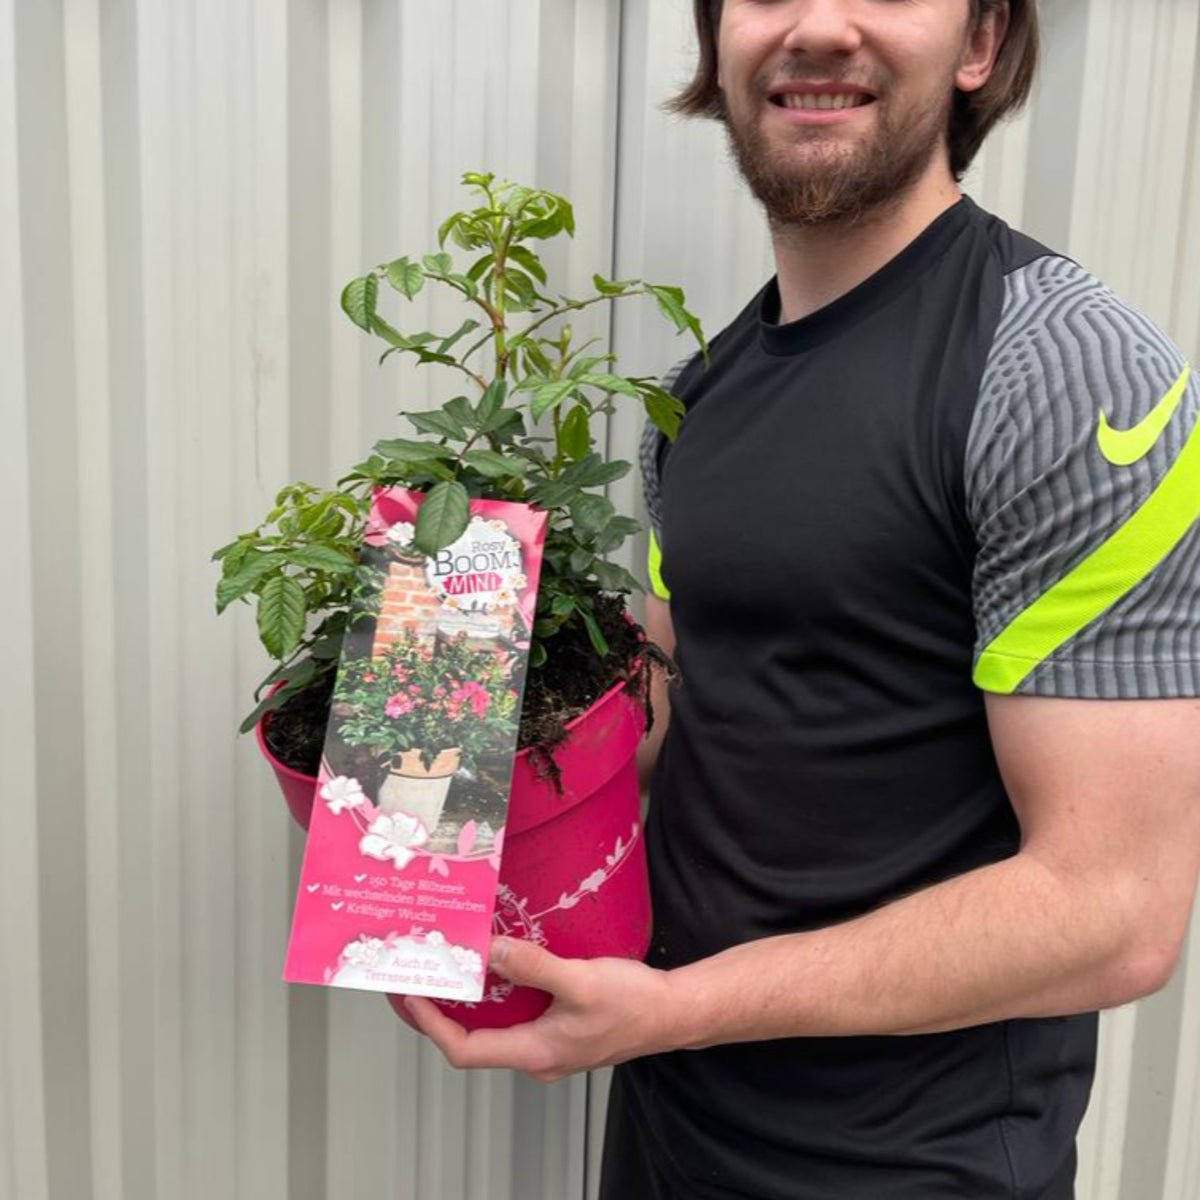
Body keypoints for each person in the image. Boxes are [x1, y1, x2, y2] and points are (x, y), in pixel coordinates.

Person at [405, 2, 1200, 1196]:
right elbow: (682, 702)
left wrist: (674, 1011)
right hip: (672, 1126)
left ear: (980, 44)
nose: (820, 26)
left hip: (907, 1165)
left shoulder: (1066, 373)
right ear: (719, 43)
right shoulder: (702, 389)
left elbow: (1113, 908)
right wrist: (434, 773)